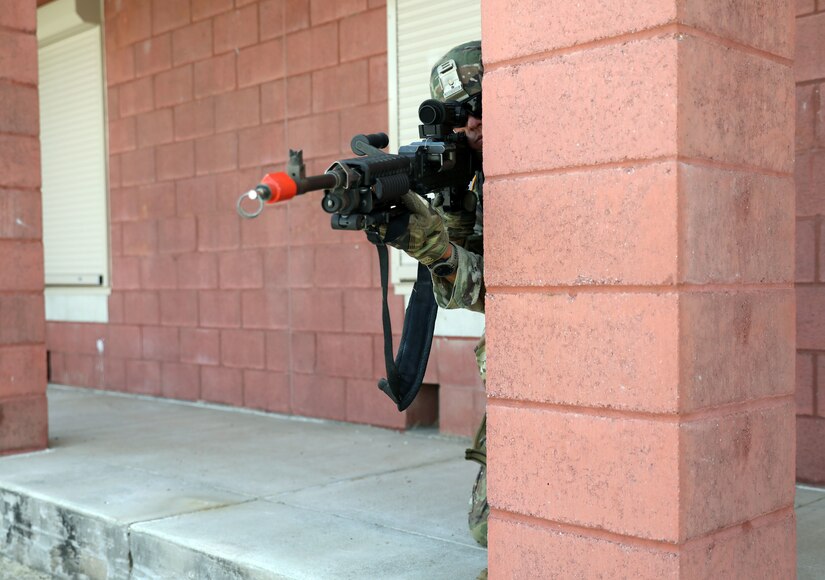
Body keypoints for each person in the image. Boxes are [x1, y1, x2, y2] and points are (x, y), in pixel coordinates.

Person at [378, 40, 488, 549]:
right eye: (457, 118)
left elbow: (511, 291)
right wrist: (434, 238)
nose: (469, 129)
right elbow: (463, 292)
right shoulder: (470, 175)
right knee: (488, 527)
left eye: (480, 110)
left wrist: (435, 246)